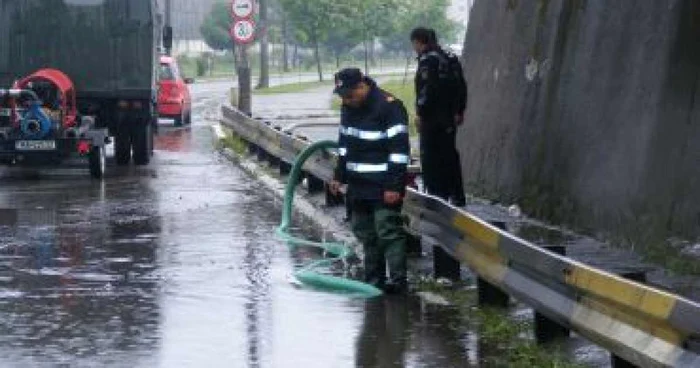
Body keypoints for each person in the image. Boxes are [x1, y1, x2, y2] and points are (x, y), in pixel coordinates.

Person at [329, 68, 410, 294]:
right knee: (365, 233)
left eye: (350, 95)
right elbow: (344, 143)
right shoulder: (349, 107)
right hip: (358, 186)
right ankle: (374, 281)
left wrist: (394, 186)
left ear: (362, 85)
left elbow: (399, 152)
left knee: (388, 232)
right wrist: (339, 175)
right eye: (343, 96)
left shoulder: (390, 106)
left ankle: (398, 282)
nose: (346, 100)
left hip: (384, 185)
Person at [411, 27, 468, 206]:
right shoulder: (451, 58)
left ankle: (436, 197)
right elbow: (461, 86)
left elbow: (427, 90)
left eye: (414, 44)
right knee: (449, 155)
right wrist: (460, 110)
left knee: (431, 157)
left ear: (419, 41)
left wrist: (420, 113)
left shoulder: (428, 61)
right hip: (449, 117)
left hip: (432, 118)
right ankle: (457, 195)